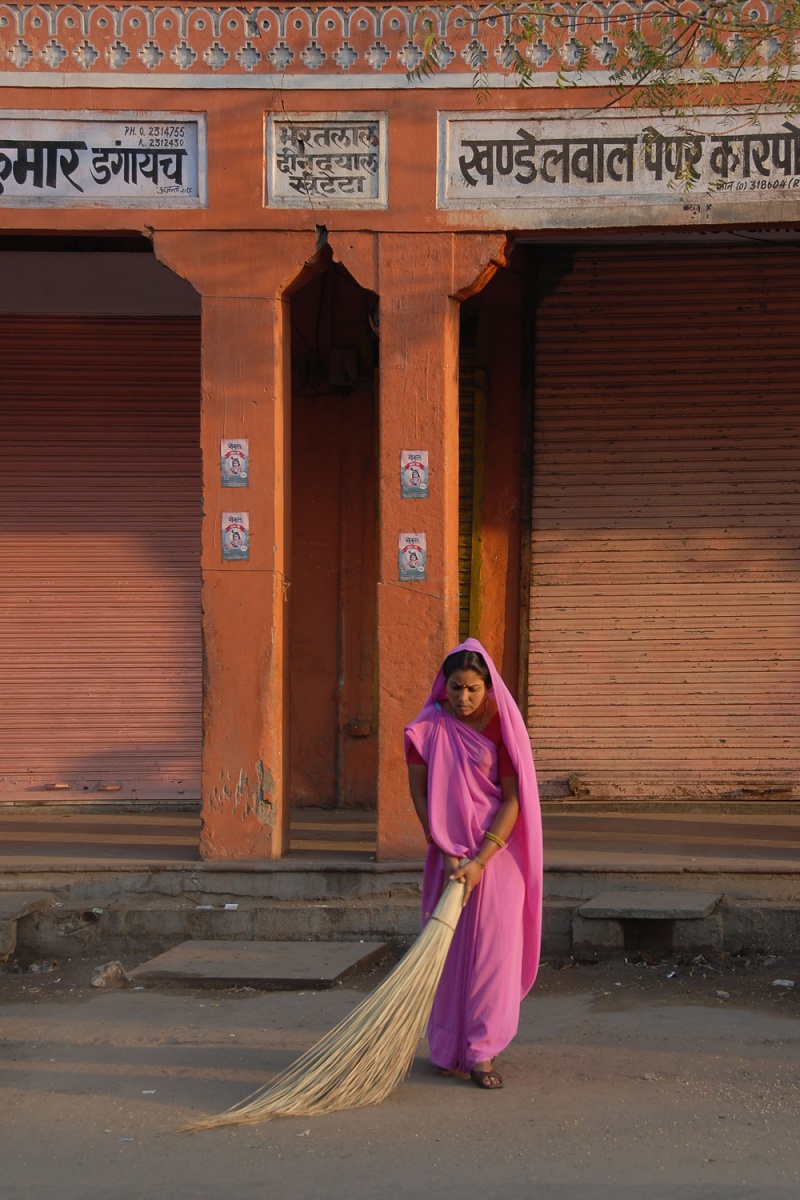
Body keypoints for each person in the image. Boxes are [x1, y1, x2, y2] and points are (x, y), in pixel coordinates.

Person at [404, 637, 543, 1090]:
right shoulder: (426, 729)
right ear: (443, 685)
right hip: (447, 859)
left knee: (491, 960)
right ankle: (447, 1050)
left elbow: (513, 801)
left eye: (472, 690)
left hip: (496, 859)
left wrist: (482, 858)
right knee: (445, 956)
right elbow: (420, 795)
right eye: (456, 688)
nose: (462, 698)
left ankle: (482, 1054)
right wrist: (445, 850)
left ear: (488, 689)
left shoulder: (503, 731)